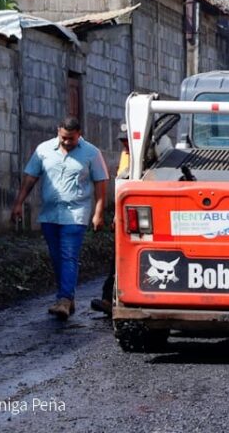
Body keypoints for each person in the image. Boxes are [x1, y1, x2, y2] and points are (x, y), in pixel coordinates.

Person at [11, 117, 109, 320]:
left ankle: (64, 298)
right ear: (58, 132)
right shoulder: (44, 150)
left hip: (76, 214)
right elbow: (31, 177)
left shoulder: (92, 153)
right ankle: (68, 297)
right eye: (63, 137)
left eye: (71, 139)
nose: (66, 142)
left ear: (79, 134)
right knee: (56, 257)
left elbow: (101, 184)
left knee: (68, 255)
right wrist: (19, 203)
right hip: (49, 214)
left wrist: (98, 212)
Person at [90, 124, 130, 315]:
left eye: (127, 140)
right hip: (123, 212)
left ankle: (117, 298)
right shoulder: (126, 154)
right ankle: (109, 298)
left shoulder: (150, 154)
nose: (124, 144)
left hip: (136, 215)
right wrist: (116, 214)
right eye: (122, 141)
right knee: (116, 258)